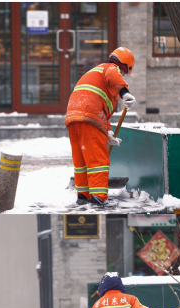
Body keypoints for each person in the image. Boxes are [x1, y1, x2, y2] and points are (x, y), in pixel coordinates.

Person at [65, 47, 136, 208]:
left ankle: (83, 195)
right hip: (89, 117)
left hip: (73, 117)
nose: (122, 76)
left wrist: (108, 133)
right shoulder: (110, 69)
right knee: (98, 160)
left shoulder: (95, 73)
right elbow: (113, 75)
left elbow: (101, 111)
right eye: (124, 73)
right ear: (123, 66)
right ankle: (98, 197)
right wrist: (125, 93)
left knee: (82, 160)